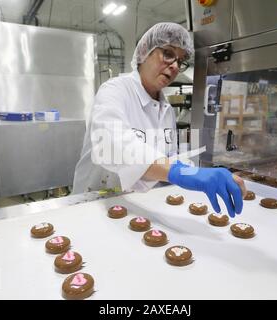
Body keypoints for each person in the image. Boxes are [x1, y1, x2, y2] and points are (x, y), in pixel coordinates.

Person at [73, 22, 246, 217]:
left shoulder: (167, 110)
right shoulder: (115, 90)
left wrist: (197, 173)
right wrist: (181, 173)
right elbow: (112, 145)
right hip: (96, 203)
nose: (174, 66)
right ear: (145, 51)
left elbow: (168, 159)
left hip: (140, 205)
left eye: (180, 61)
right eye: (168, 54)